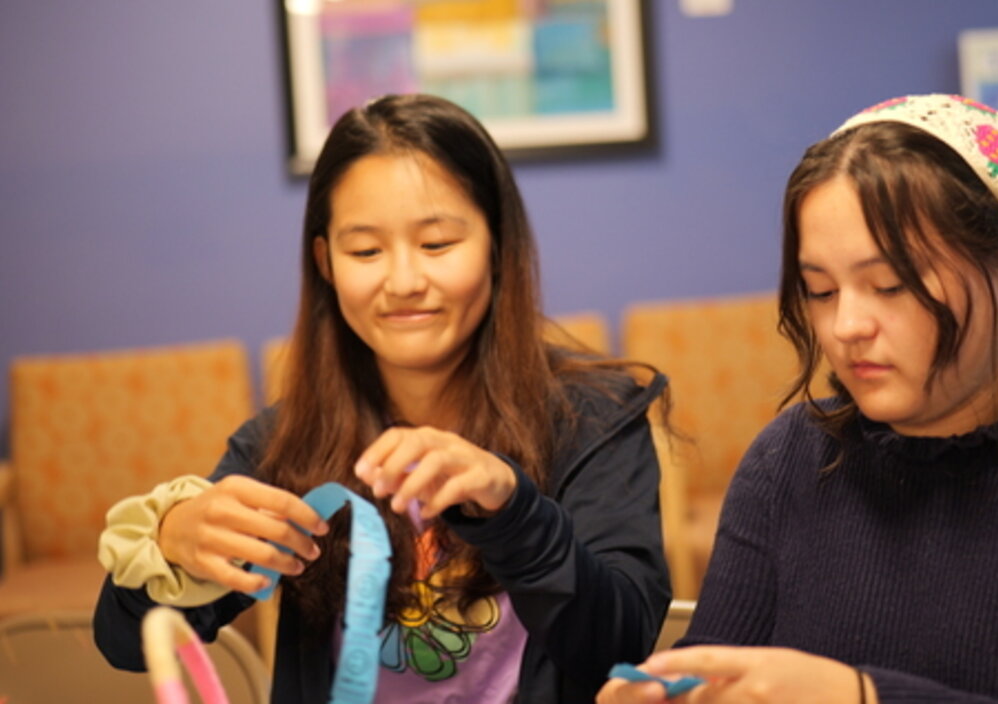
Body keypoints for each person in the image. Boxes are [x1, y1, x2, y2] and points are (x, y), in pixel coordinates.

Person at [599, 93, 998, 703]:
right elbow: (716, 671)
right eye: (821, 291)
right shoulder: (789, 459)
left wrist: (860, 696)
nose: (846, 326)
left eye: (889, 285)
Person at [93, 93, 672, 703]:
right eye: (366, 251)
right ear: (326, 262)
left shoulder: (595, 421)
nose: (403, 283)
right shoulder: (285, 446)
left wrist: (513, 511)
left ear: (497, 247)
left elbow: (620, 643)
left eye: (438, 243)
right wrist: (174, 541)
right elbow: (124, 642)